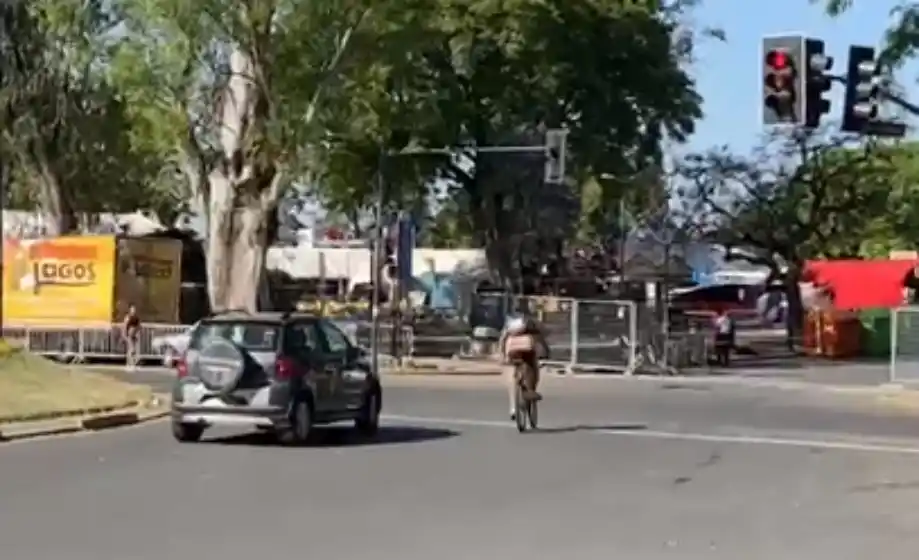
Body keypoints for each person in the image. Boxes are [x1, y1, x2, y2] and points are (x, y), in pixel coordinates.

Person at [497, 314, 549, 420]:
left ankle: (513, 407)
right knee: (533, 367)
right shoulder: (533, 325)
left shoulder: (510, 325)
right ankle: (530, 390)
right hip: (528, 352)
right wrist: (546, 353)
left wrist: (502, 355)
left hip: (512, 351)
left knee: (512, 376)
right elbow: (541, 340)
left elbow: (502, 339)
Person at [122, 304, 141, 370]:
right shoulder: (128, 317)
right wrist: (124, 334)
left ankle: (132, 363)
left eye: (134, 309)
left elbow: (139, 326)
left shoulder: (136, 318)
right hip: (128, 335)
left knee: (134, 350)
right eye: (132, 309)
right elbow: (124, 326)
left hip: (134, 335)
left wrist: (137, 333)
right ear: (130, 310)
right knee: (131, 349)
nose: (133, 310)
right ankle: (128, 363)